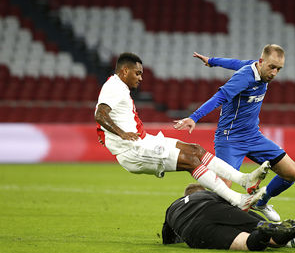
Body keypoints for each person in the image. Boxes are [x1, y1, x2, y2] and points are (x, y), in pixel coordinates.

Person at [94, 52, 270, 211]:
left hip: (144, 140)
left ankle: (244, 179)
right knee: (190, 161)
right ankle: (238, 200)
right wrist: (121, 133)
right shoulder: (114, 87)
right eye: (137, 73)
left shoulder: (119, 87)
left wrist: (112, 134)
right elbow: (100, 114)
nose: (140, 78)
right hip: (132, 150)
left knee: (196, 150)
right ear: (125, 71)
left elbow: (107, 117)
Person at [174, 44, 295, 221]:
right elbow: (219, 97)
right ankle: (194, 220)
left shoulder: (254, 67)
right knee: (223, 189)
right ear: (261, 61)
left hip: (253, 136)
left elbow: (234, 62)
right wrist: (194, 117)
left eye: (279, 69)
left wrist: (212, 61)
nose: (274, 73)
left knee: (292, 173)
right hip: (230, 138)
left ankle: (261, 201)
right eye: (272, 67)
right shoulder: (244, 78)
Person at [162, 183, 295, 251]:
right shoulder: (211, 195)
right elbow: (236, 203)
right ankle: (289, 226)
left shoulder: (172, 207)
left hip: (195, 228)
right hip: (218, 207)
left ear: (185, 194)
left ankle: (263, 231)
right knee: (273, 238)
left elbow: (168, 238)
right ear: (203, 191)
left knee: (247, 243)